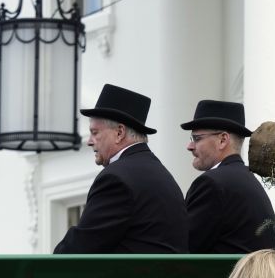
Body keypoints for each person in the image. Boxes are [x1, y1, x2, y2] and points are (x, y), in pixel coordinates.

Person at [54, 84, 187, 254]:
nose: (89, 141)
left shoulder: (116, 178)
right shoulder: (161, 173)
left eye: (95, 133)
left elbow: (81, 245)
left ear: (119, 132)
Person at [181, 100, 275, 254]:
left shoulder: (212, 183)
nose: (190, 146)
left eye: (197, 138)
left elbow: (184, 248)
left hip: (228, 277)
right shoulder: (247, 179)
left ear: (222, 140)